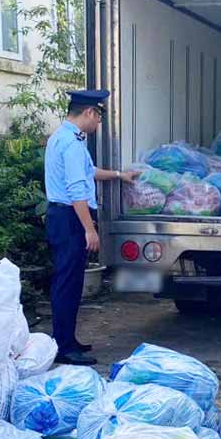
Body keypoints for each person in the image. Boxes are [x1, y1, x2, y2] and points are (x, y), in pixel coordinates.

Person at [44, 89, 138, 366]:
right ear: (89, 112)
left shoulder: (65, 138)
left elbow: (89, 172)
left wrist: (120, 175)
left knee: (70, 282)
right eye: (98, 117)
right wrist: (89, 229)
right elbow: (76, 191)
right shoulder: (71, 144)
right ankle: (63, 347)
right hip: (70, 218)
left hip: (65, 217)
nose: (98, 124)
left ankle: (67, 340)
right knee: (67, 283)